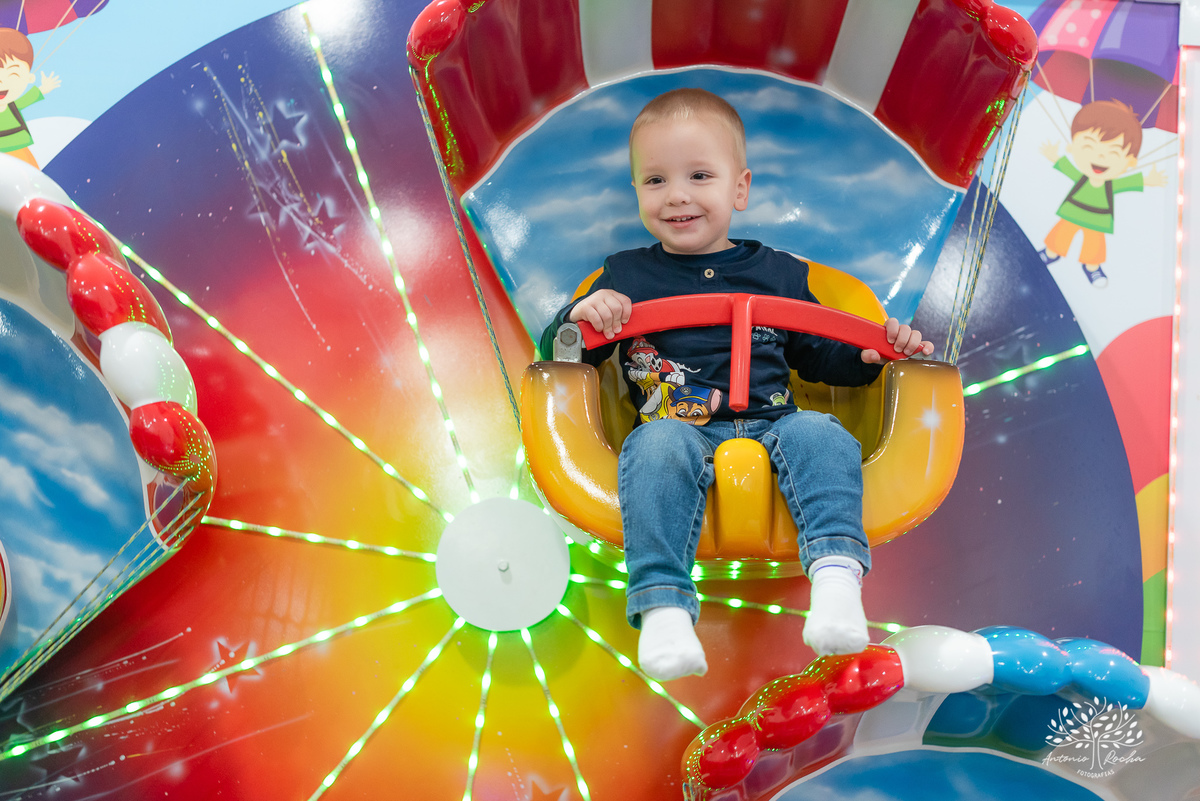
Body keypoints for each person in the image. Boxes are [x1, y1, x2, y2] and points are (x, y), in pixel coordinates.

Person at [539, 88, 932, 682]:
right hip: (678, 426)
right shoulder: (625, 275)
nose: (677, 195)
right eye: (655, 181)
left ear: (739, 188)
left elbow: (822, 358)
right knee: (652, 448)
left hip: (775, 419)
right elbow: (564, 356)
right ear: (638, 192)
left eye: (700, 175)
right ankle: (664, 607)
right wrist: (584, 314)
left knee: (822, 433)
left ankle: (836, 580)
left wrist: (873, 354)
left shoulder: (779, 273)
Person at [1038, 99, 1167, 288]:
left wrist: (1149, 180)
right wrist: (1054, 157)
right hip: (1072, 212)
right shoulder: (1082, 177)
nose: (1100, 157)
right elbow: (1068, 169)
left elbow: (1128, 183)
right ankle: (1051, 253)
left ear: (1130, 162)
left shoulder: (1111, 185)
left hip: (1097, 220)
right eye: (1089, 146)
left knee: (1094, 243)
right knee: (1062, 232)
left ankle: (1092, 267)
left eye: (1113, 152)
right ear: (1072, 147)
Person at [0, 27, 61, 169]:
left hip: (19, 151)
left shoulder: (13, 106)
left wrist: (43, 89)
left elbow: (27, 99)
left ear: (29, 78)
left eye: (12, 74)